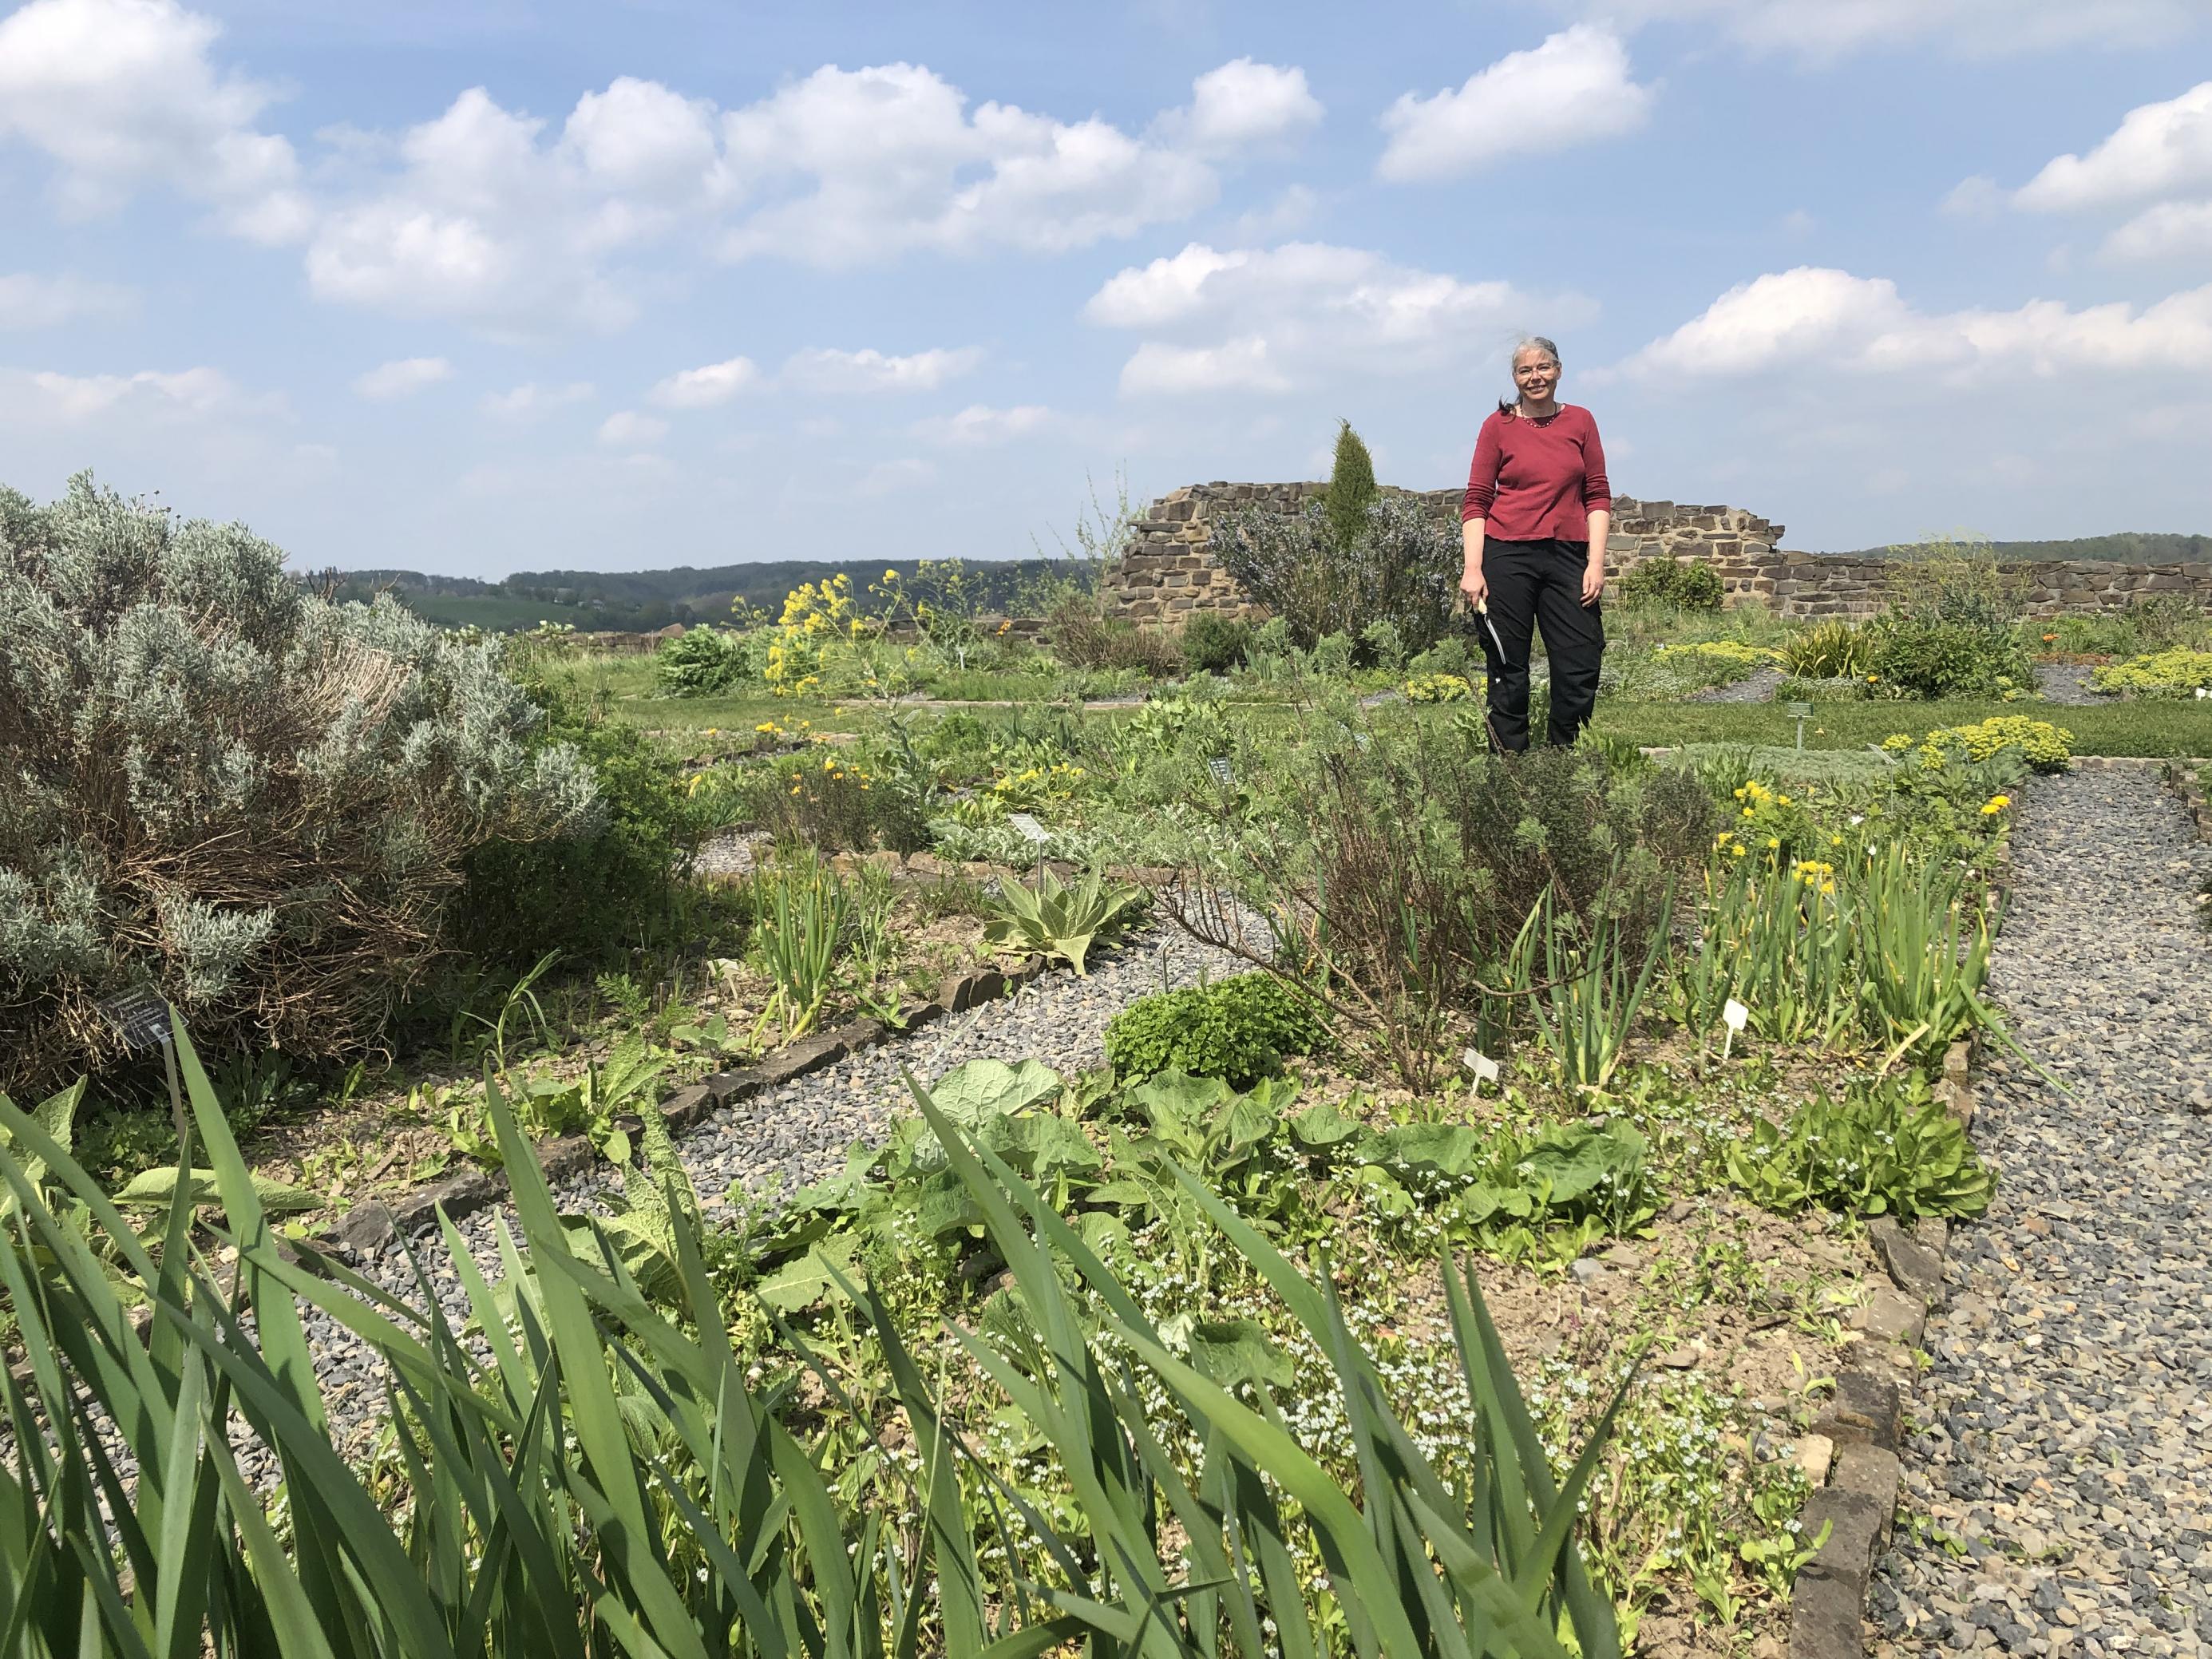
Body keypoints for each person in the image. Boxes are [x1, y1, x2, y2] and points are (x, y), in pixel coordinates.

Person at [1459, 337, 1612, 750]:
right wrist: (1473, 568)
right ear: (1515, 378)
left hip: (1568, 558)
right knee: (1508, 666)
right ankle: (1511, 771)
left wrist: (1595, 564)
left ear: (1559, 370)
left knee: (1579, 664)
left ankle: (1563, 765)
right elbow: (1476, 499)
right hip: (1507, 555)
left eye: (1543, 367)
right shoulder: (1498, 427)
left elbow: (1597, 494)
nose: (1535, 377)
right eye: (1525, 371)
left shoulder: (1581, 421)